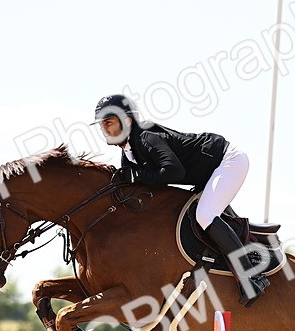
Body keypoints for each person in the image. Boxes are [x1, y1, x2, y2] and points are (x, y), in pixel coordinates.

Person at [92, 93, 268, 306]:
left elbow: (173, 172)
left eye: (108, 122)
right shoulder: (129, 152)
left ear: (127, 120)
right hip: (209, 172)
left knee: (204, 215)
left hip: (228, 160)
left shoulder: (146, 137)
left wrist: (137, 176)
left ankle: (251, 275)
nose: (105, 129)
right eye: (102, 124)